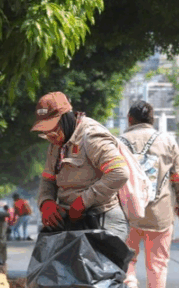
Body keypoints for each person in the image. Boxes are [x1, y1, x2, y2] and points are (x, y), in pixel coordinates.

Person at [119, 100, 179, 288]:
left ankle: (129, 284)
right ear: (153, 120)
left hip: (128, 212)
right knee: (157, 263)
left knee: (127, 256)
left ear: (130, 119)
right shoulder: (167, 141)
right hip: (160, 213)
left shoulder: (119, 142)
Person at [32, 91, 130, 242]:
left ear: (65, 118)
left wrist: (83, 201)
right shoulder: (56, 143)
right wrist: (47, 203)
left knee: (99, 265)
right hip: (71, 220)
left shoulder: (91, 136)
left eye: (52, 128)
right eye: (45, 131)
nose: (49, 135)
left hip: (102, 219)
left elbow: (119, 172)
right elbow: (48, 179)